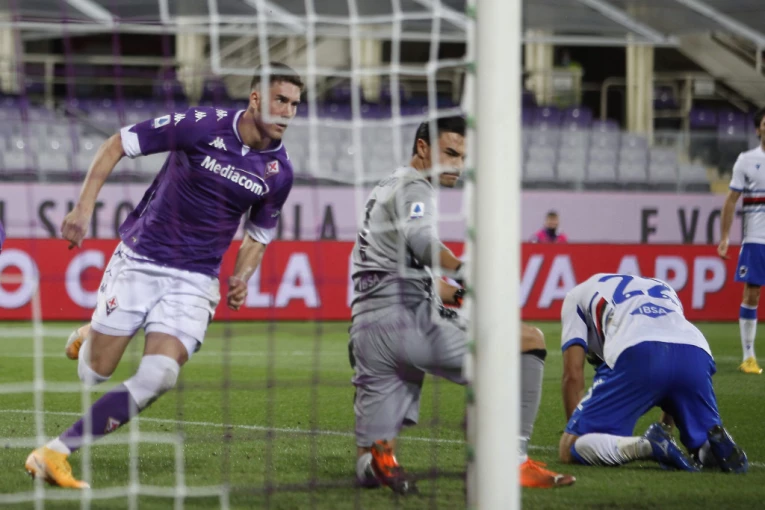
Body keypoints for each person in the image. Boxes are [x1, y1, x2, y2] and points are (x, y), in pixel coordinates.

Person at [25, 62, 303, 488]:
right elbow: (116, 144)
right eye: (280, 100)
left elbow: (258, 235)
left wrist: (242, 276)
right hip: (141, 259)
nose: (287, 112)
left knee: (160, 375)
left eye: (295, 104)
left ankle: (55, 452)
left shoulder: (279, 173)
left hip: (195, 280)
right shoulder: (200, 124)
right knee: (93, 374)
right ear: (256, 98)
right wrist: (83, 208)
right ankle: (92, 333)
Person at [348, 116, 575, 495]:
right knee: (530, 341)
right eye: (450, 153)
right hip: (410, 324)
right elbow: (423, 242)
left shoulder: (385, 186)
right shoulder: (416, 188)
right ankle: (514, 461)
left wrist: (453, 292)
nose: (457, 165)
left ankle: (378, 462)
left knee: (369, 459)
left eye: (463, 157)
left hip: (368, 333)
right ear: (423, 148)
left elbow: (398, 268)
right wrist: (464, 270)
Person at [558, 273, 747, 473]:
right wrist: (666, 430)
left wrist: (575, 430)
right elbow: (671, 380)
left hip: (637, 349)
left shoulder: (575, 296)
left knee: (570, 446)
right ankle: (710, 449)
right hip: (695, 352)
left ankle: (646, 446)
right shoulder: (662, 286)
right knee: (701, 440)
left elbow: (573, 374)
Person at [718, 107, 765, 375]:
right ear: (758, 129)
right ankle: (749, 356)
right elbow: (731, 200)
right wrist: (725, 237)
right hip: (756, 238)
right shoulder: (747, 160)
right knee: (752, 292)